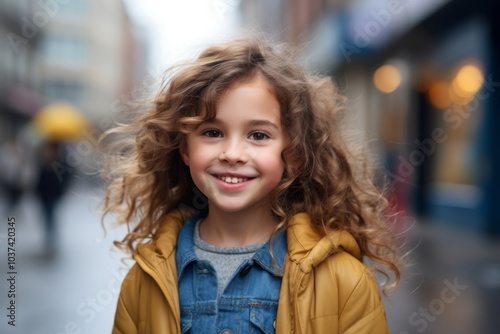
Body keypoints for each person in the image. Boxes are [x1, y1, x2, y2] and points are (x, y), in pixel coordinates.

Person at [101, 36, 402, 334]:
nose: (232, 154)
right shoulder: (144, 282)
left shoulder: (343, 283)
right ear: (185, 148)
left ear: (293, 153)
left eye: (258, 135)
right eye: (212, 132)